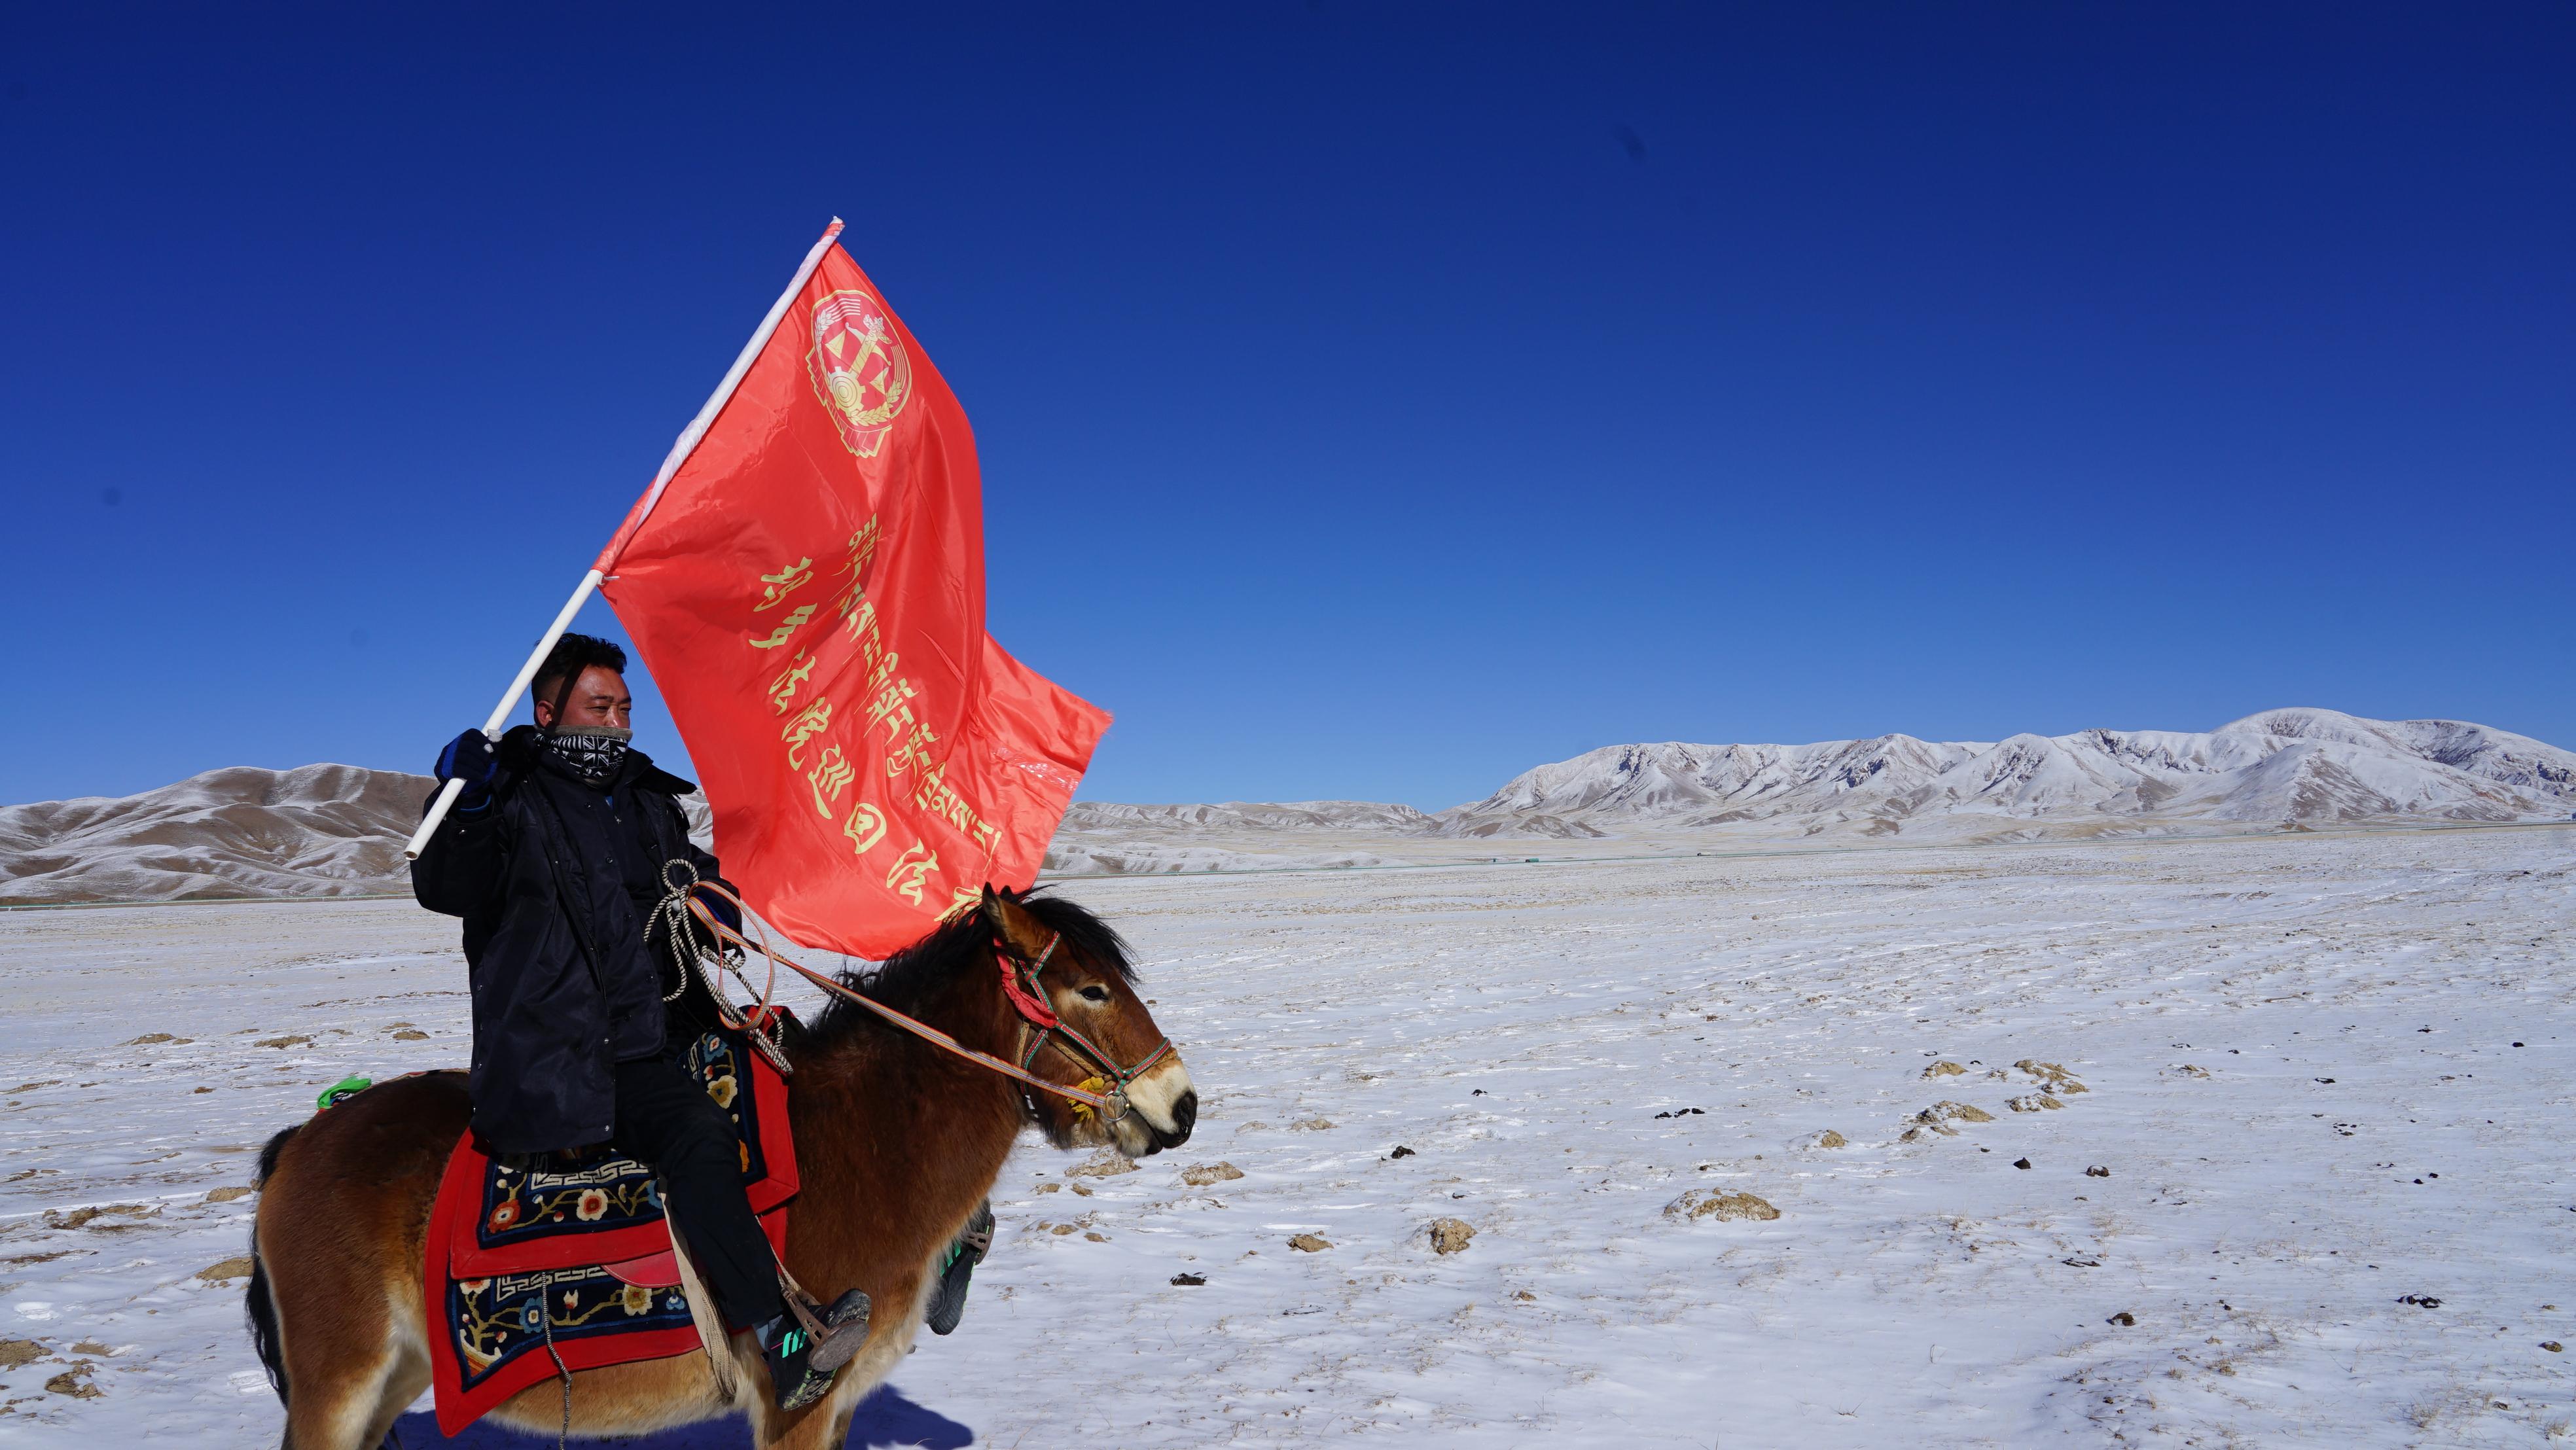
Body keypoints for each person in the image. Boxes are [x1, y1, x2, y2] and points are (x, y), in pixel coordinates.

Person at [410, 633, 865, 1411]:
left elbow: (690, 869)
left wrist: (711, 899)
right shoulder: (507, 797)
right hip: (572, 1052)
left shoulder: (645, 796)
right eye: (600, 706)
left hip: (674, 1020)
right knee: (697, 1135)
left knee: (809, 1064)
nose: (618, 722)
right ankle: (779, 1336)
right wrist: (469, 800)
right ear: (549, 712)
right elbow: (445, 882)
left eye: (624, 707)